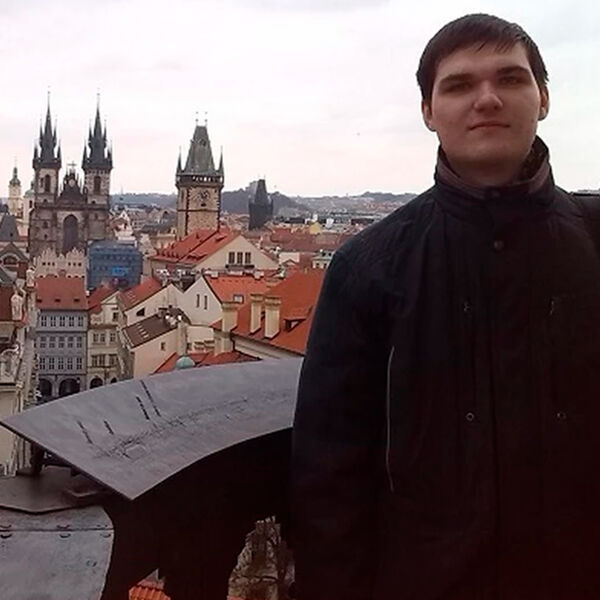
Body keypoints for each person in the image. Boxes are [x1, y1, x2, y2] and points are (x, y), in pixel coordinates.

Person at [292, 13, 600, 600]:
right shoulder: (368, 268)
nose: (487, 99)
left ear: (543, 98)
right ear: (429, 112)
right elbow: (329, 479)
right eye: (459, 85)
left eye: (510, 78)